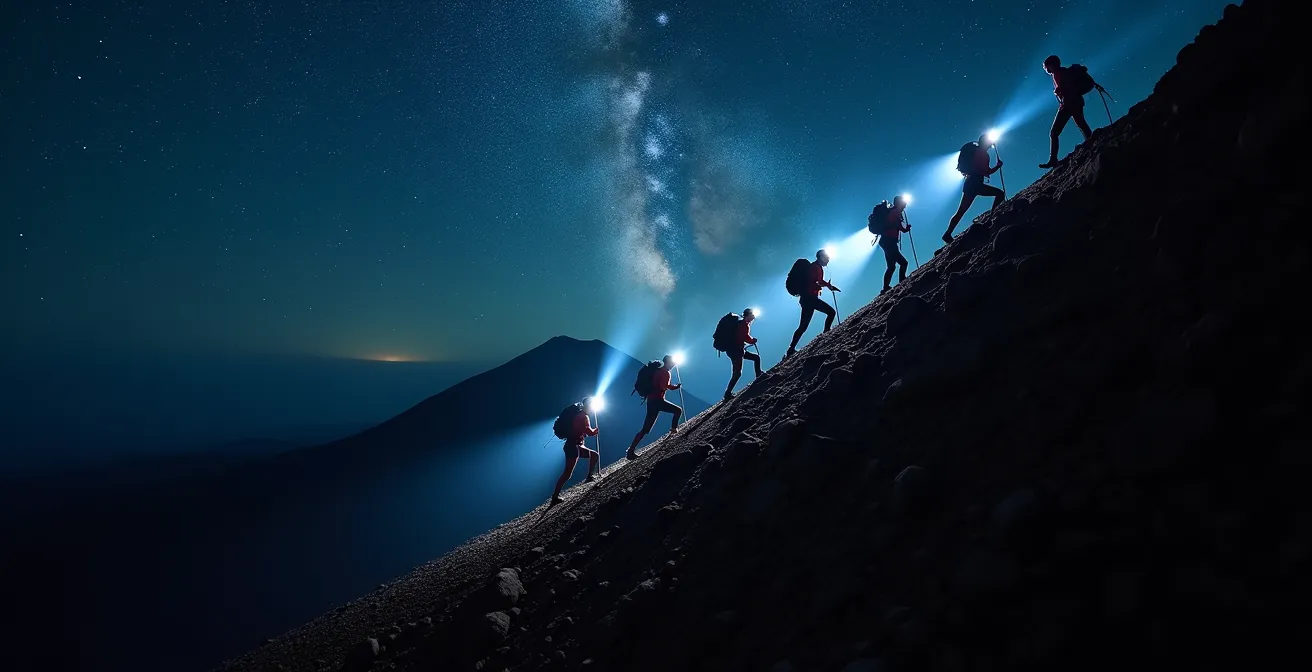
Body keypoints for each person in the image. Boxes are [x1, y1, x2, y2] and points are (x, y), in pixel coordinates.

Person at [944, 135, 1005, 243]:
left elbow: (982, 170)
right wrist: (997, 166)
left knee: (961, 211)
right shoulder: (984, 155)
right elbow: (987, 171)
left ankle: (947, 233)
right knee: (1000, 194)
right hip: (976, 183)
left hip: (970, 183)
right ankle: (991, 218)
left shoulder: (975, 151)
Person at [1039, 55, 1093, 169]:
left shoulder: (1059, 73)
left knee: (1054, 132)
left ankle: (1053, 160)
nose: (1046, 69)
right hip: (1074, 102)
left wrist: (1060, 89)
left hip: (1069, 104)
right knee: (1081, 124)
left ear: (1051, 65)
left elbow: (1067, 86)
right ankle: (1092, 141)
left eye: (1046, 66)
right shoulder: (1062, 72)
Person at [786, 250, 840, 358]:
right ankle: (826, 334)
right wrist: (823, 286)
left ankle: (791, 349)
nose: (828, 259)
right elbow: (812, 283)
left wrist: (828, 286)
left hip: (806, 299)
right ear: (820, 257)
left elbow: (818, 281)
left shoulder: (815, 267)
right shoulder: (815, 267)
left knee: (803, 326)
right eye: (826, 257)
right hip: (810, 298)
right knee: (831, 312)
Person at [627, 355, 682, 460]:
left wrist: (673, 387)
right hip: (658, 401)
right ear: (669, 362)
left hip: (651, 401)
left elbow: (663, 385)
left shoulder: (657, 371)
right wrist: (671, 387)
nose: (673, 365)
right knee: (678, 410)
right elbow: (663, 386)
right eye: (673, 363)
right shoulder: (666, 372)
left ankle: (631, 450)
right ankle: (674, 431)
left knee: (645, 429)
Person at [551, 399, 600, 506]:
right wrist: (595, 431)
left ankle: (590, 476)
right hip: (574, 446)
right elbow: (588, 431)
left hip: (574, 446)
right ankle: (555, 497)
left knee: (594, 455)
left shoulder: (579, 415)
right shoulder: (583, 416)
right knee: (567, 473)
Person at [723, 308, 762, 401]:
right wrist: (752, 340)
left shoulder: (741, 323)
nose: (753, 318)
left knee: (756, 358)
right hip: (736, 351)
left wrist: (750, 340)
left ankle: (758, 375)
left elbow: (743, 337)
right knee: (737, 373)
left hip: (735, 350)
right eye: (752, 316)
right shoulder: (743, 324)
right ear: (748, 315)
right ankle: (727, 393)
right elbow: (744, 337)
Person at [878, 195, 911, 293]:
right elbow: (900, 227)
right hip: (889, 242)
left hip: (885, 241)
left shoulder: (892, 212)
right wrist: (906, 229)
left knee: (891, 267)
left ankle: (885, 288)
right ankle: (902, 281)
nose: (905, 206)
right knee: (903, 263)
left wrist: (905, 229)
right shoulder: (896, 213)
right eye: (903, 204)